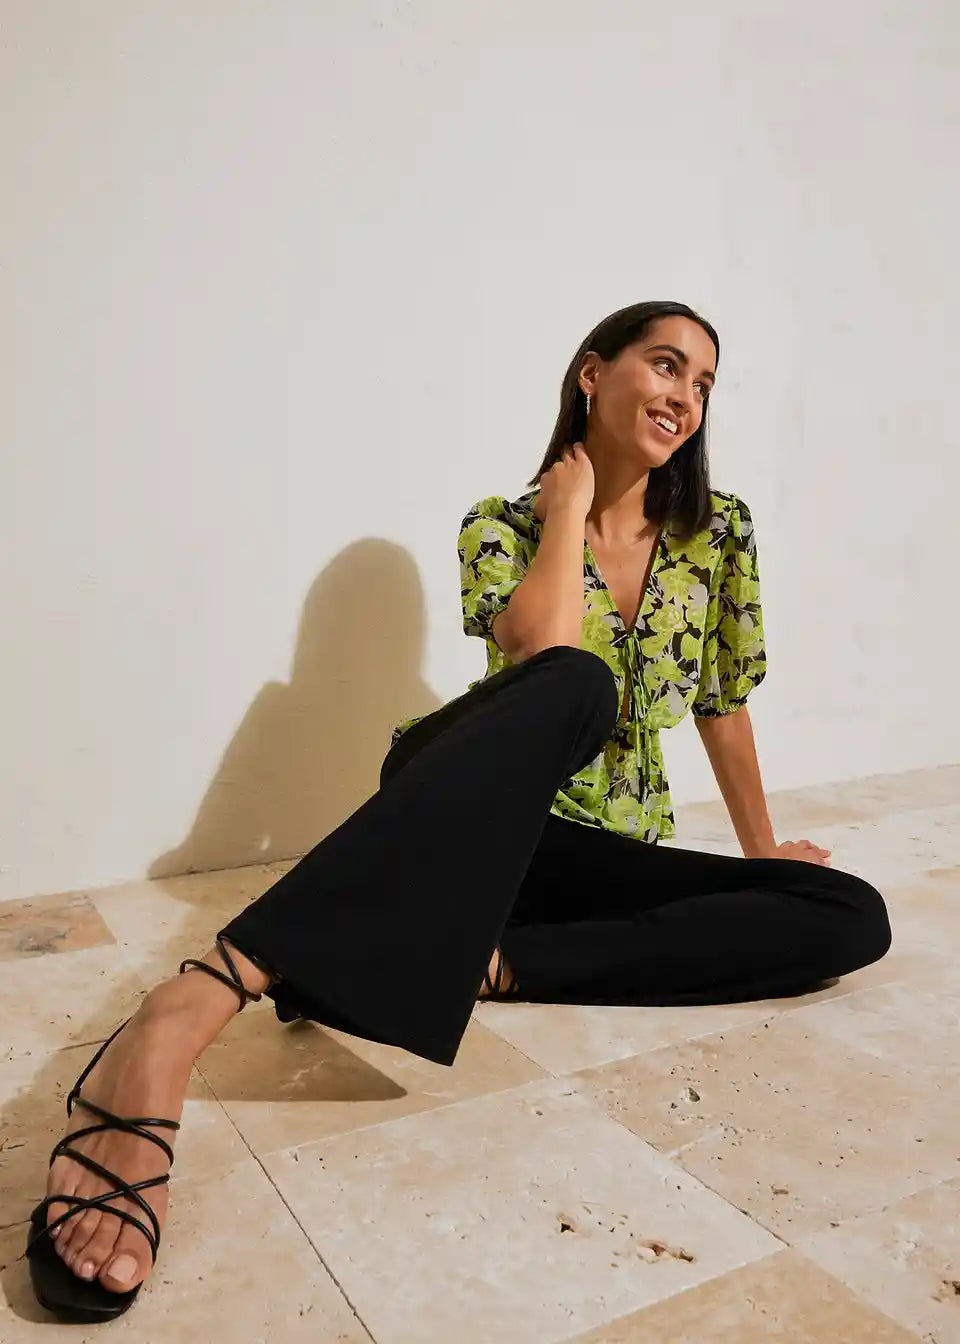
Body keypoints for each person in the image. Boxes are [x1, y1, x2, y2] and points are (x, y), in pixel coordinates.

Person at [25, 300, 891, 1323]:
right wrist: (568, 511)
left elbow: (723, 701)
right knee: (579, 683)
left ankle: (478, 963)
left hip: (594, 850)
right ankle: (191, 1006)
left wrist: (762, 851)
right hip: (468, 803)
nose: (685, 398)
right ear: (593, 373)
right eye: (666, 366)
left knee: (849, 915)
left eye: (703, 384)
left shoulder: (720, 530)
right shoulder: (501, 524)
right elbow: (544, 656)